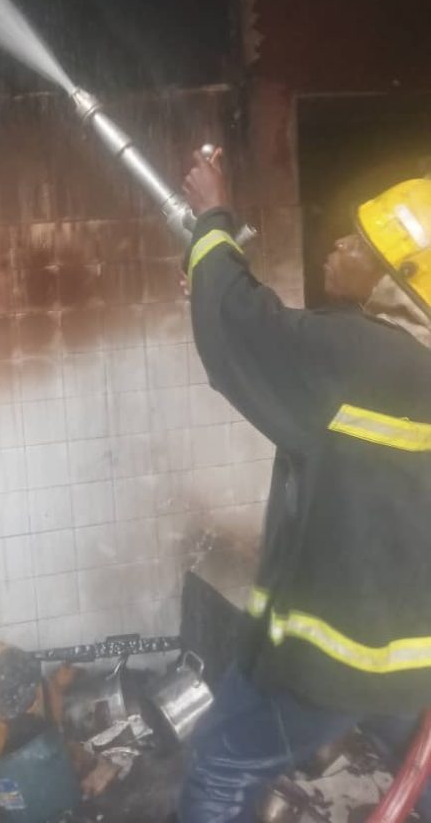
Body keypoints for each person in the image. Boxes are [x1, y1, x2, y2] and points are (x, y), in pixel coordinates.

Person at [177, 151, 431, 823]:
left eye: (361, 244)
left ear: (397, 280)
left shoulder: (352, 358)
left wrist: (212, 219)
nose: (339, 244)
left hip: (330, 666)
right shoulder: (398, 362)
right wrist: (218, 289)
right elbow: (274, 336)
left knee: (221, 766)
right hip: (414, 658)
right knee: (418, 774)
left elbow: (238, 327)